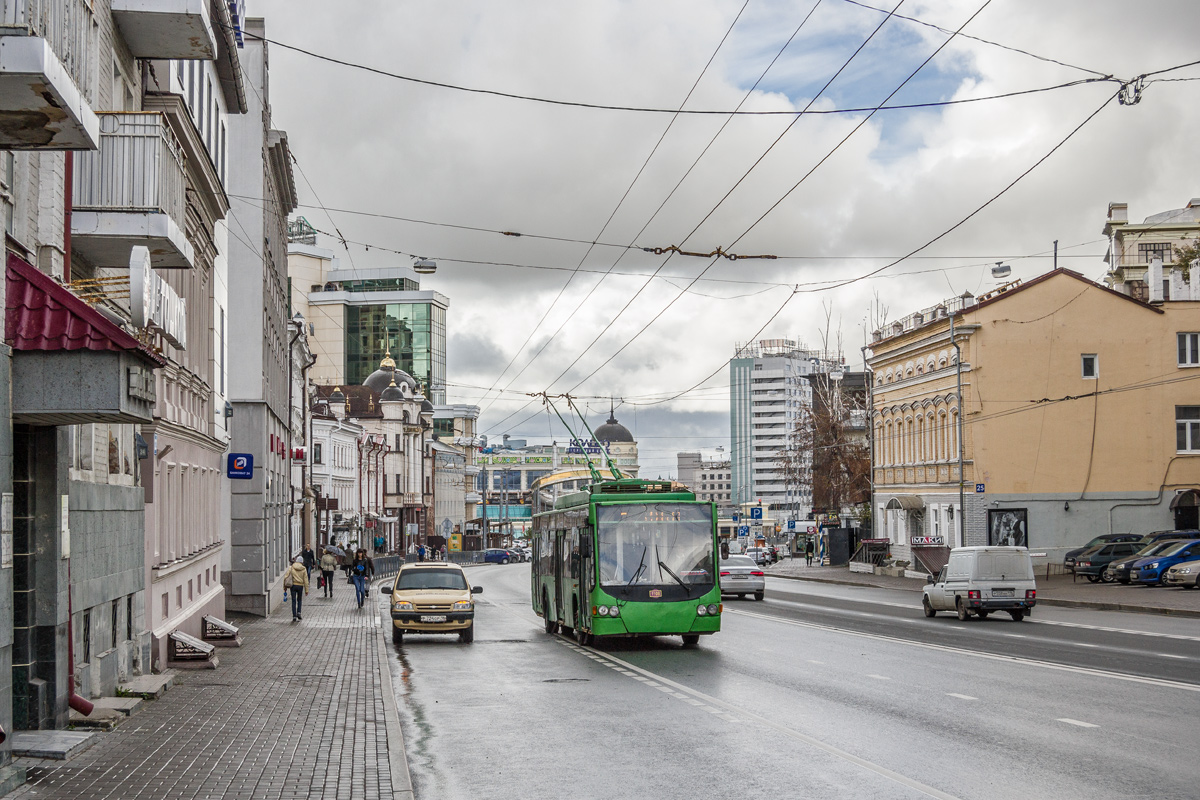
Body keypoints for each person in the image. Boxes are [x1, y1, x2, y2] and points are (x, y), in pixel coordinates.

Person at [284, 556, 310, 620]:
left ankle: (294, 616)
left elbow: (286, 577)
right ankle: (299, 612)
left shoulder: (292, 567)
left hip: (293, 586)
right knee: (299, 600)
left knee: (293, 600)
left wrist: (284, 587)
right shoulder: (303, 569)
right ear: (302, 562)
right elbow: (306, 580)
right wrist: (306, 590)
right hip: (300, 586)